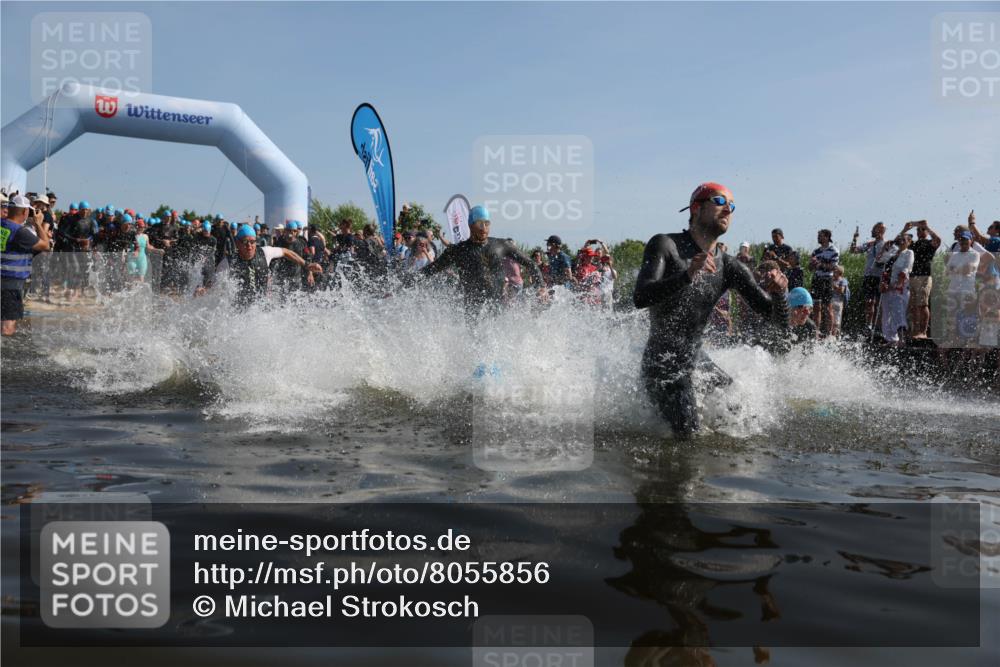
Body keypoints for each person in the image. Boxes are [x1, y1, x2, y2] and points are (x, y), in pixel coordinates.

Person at [633, 182, 788, 437]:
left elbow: (777, 323)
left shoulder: (729, 266)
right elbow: (641, 297)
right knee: (689, 434)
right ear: (696, 208)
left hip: (697, 359)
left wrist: (780, 295)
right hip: (662, 361)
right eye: (719, 201)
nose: (728, 209)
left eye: (732, 205)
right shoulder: (665, 245)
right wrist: (688, 275)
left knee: (741, 417)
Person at [421, 205, 544, 320]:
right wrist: (407, 280)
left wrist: (541, 287)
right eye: (480, 224)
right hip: (472, 311)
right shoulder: (458, 251)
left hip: (497, 308)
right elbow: (431, 269)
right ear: (471, 225)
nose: (484, 228)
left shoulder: (501, 245)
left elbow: (530, 263)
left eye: (487, 223)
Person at [198, 224, 321, 308]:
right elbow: (214, 281)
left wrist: (306, 264)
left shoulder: (265, 252)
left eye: (252, 242)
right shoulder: (228, 262)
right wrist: (204, 290)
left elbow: (286, 251)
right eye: (245, 242)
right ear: (237, 243)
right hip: (240, 310)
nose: (249, 246)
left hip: (262, 308)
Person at [2, 195, 51, 335]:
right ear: (24, 212)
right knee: (7, 324)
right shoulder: (20, 232)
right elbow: (45, 245)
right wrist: (37, 224)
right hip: (11, 284)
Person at [849, 222, 893, 332]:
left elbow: (892, 260)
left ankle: (878, 325)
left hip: (879, 276)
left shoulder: (887, 244)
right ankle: (868, 325)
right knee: (869, 301)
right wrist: (855, 239)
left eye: (874, 229)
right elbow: (853, 250)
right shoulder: (870, 244)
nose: (871, 232)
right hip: (868, 276)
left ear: (881, 231)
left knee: (879, 302)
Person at [907, 220, 941, 339]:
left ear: (927, 232)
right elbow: (898, 242)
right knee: (913, 306)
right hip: (912, 276)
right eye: (918, 230)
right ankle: (915, 331)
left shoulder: (930, 243)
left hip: (925, 276)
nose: (919, 231)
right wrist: (905, 229)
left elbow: (938, 240)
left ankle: (923, 331)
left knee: (923, 304)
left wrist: (927, 226)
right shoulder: (913, 244)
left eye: (922, 230)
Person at [881, 234, 913, 346]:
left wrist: (894, 285)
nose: (901, 242)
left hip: (899, 288)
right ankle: (891, 339)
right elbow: (880, 260)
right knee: (886, 314)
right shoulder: (892, 254)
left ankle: (902, 339)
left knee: (898, 313)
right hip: (887, 288)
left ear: (909, 242)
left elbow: (905, 270)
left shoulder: (909, 253)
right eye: (900, 240)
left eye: (904, 240)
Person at [808, 229, 839, 336]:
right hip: (816, 279)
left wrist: (820, 264)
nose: (818, 238)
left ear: (826, 237)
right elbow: (810, 268)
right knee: (816, 307)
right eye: (818, 236)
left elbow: (832, 268)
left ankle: (830, 334)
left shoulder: (834, 250)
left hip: (827, 280)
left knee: (827, 307)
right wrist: (812, 264)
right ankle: (816, 332)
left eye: (820, 236)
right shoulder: (815, 251)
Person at [830, 265, 850, 337]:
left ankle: (835, 336)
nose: (833, 272)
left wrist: (833, 285)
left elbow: (841, 290)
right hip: (831, 302)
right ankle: (832, 335)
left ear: (839, 272)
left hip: (838, 302)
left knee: (837, 321)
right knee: (831, 319)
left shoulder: (843, 280)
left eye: (835, 271)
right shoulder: (832, 279)